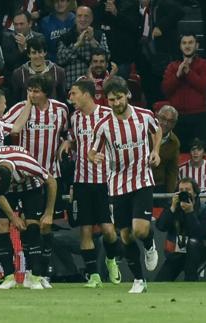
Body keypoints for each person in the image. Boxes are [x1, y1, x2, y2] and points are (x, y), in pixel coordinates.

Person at [88, 76, 161, 293]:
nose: (116, 103)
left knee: (140, 230)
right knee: (125, 235)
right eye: (111, 100)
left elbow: (157, 131)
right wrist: (95, 158)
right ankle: (139, 281)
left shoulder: (145, 116)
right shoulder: (103, 126)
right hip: (118, 184)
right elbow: (92, 151)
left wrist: (155, 151)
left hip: (142, 179)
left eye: (119, 98)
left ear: (127, 94)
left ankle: (149, 244)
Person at [3, 75, 69, 286]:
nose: (32, 94)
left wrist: (66, 142)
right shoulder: (18, 109)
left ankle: (42, 272)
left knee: (45, 226)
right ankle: (14, 274)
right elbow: (4, 131)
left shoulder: (61, 110)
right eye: (30, 90)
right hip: (22, 175)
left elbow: (67, 133)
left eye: (37, 91)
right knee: (19, 226)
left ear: (46, 93)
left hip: (50, 175)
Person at [61, 79, 122, 288]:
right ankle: (93, 275)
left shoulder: (107, 114)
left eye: (74, 93)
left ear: (87, 94)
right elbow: (74, 138)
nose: (71, 98)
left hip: (105, 182)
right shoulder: (75, 118)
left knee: (108, 230)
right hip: (81, 182)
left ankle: (111, 259)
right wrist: (69, 141)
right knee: (85, 230)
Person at [0, 145, 57, 290]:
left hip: (31, 187)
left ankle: (34, 276)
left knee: (32, 225)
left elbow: (52, 182)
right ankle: (9, 277)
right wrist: (13, 218)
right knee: (1, 224)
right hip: (6, 195)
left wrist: (49, 213)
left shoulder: (27, 164)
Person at [162, 34, 206, 153]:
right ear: (180, 46)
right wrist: (178, 75)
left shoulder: (204, 65)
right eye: (184, 43)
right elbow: (165, 89)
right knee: (176, 157)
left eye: (190, 42)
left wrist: (188, 72)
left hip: (199, 118)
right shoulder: (172, 66)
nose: (187, 46)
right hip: (177, 119)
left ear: (197, 45)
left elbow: (204, 86)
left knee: (199, 157)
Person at [155, 177, 206, 281]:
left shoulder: (204, 209)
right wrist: (172, 208)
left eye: (187, 190)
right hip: (177, 254)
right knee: (160, 281)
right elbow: (160, 227)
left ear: (195, 193)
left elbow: (199, 234)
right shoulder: (173, 207)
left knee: (193, 242)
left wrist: (190, 212)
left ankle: (190, 281)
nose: (184, 193)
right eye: (181, 190)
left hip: (198, 252)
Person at [56, 6, 110, 92]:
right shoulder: (66, 37)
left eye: (86, 16)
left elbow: (107, 57)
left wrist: (93, 41)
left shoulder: (99, 35)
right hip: (72, 87)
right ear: (75, 18)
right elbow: (60, 59)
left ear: (91, 19)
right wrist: (77, 45)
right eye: (79, 16)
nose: (83, 19)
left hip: (96, 87)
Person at [11, 36, 67, 103]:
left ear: (45, 52)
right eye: (34, 53)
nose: (37, 56)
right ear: (29, 54)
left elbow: (62, 99)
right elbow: (16, 100)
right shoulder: (19, 74)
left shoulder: (58, 72)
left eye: (40, 52)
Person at [1, 9, 43, 74]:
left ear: (30, 23)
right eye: (16, 24)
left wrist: (25, 48)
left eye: (21, 24)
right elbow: (9, 64)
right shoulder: (7, 38)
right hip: (14, 76)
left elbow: (39, 62)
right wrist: (22, 52)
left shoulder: (39, 38)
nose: (18, 27)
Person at [152, 105, 180, 194]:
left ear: (175, 124)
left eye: (170, 121)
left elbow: (172, 170)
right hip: (139, 183)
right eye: (163, 118)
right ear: (156, 116)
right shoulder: (143, 133)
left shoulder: (175, 142)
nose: (165, 123)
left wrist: (170, 194)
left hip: (159, 184)